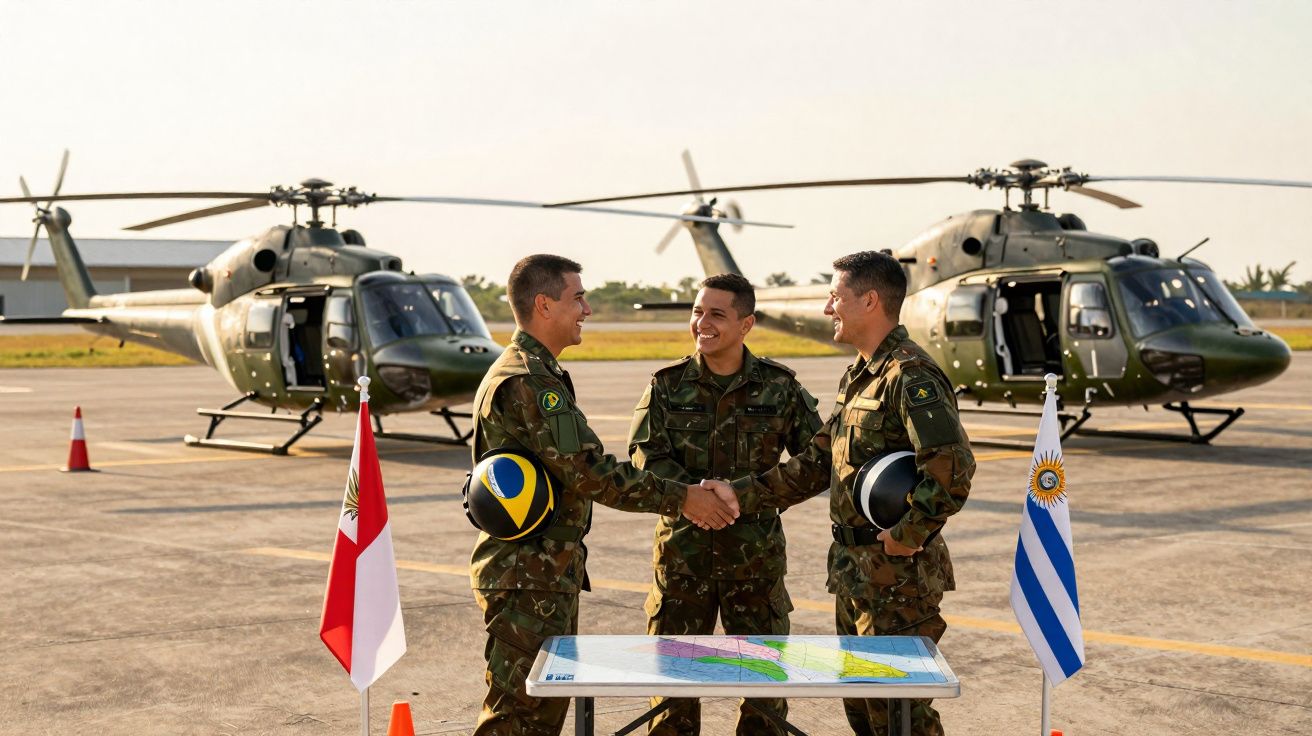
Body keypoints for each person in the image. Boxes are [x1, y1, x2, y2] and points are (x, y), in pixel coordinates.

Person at [468, 254, 740, 736]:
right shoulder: (531, 381)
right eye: (578, 298)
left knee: (537, 716)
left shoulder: (534, 372)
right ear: (544, 305)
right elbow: (591, 473)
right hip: (529, 575)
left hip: (539, 572)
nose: (587, 310)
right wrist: (683, 497)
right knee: (519, 720)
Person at [706, 251, 975, 736]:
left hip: (897, 576)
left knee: (901, 716)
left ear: (870, 301)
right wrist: (737, 494)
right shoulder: (861, 374)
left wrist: (907, 536)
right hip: (855, 576)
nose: (829, 308)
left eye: (835, 296)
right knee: (866, 713)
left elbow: (952, 468)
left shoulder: (909, 374)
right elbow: (816, 464)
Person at [627, 273, 822, 736]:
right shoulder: (665, 384)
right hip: (682, 563)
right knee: (671, 697)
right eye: (697, 311)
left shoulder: (780, 387)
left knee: (765, 698)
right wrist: (693, 500)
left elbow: (818, 461)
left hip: (754, 564)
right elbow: (644, 457)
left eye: (716, 313)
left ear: (746, 323)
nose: (702, 323)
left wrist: (748, 495)